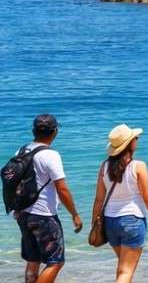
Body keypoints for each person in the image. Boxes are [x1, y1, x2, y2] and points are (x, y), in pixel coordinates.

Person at [10, 115, 82, 283]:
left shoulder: (21, 150)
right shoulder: (50, 155)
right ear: (54, 132)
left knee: (33, 259)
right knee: (56, 262)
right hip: (43, 215)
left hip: (22, 213)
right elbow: (62, 189)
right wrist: (75, 214)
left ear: (34, 131)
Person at [91, 124, 148, 283]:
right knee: (125, 272)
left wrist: (94, 225)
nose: (137, 141)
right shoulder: (138, 166)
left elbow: (98, 199)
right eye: (135, 138)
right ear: (130, 143)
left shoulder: (104, 167)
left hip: (110, 223)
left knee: (123, 270)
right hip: (132, 221)